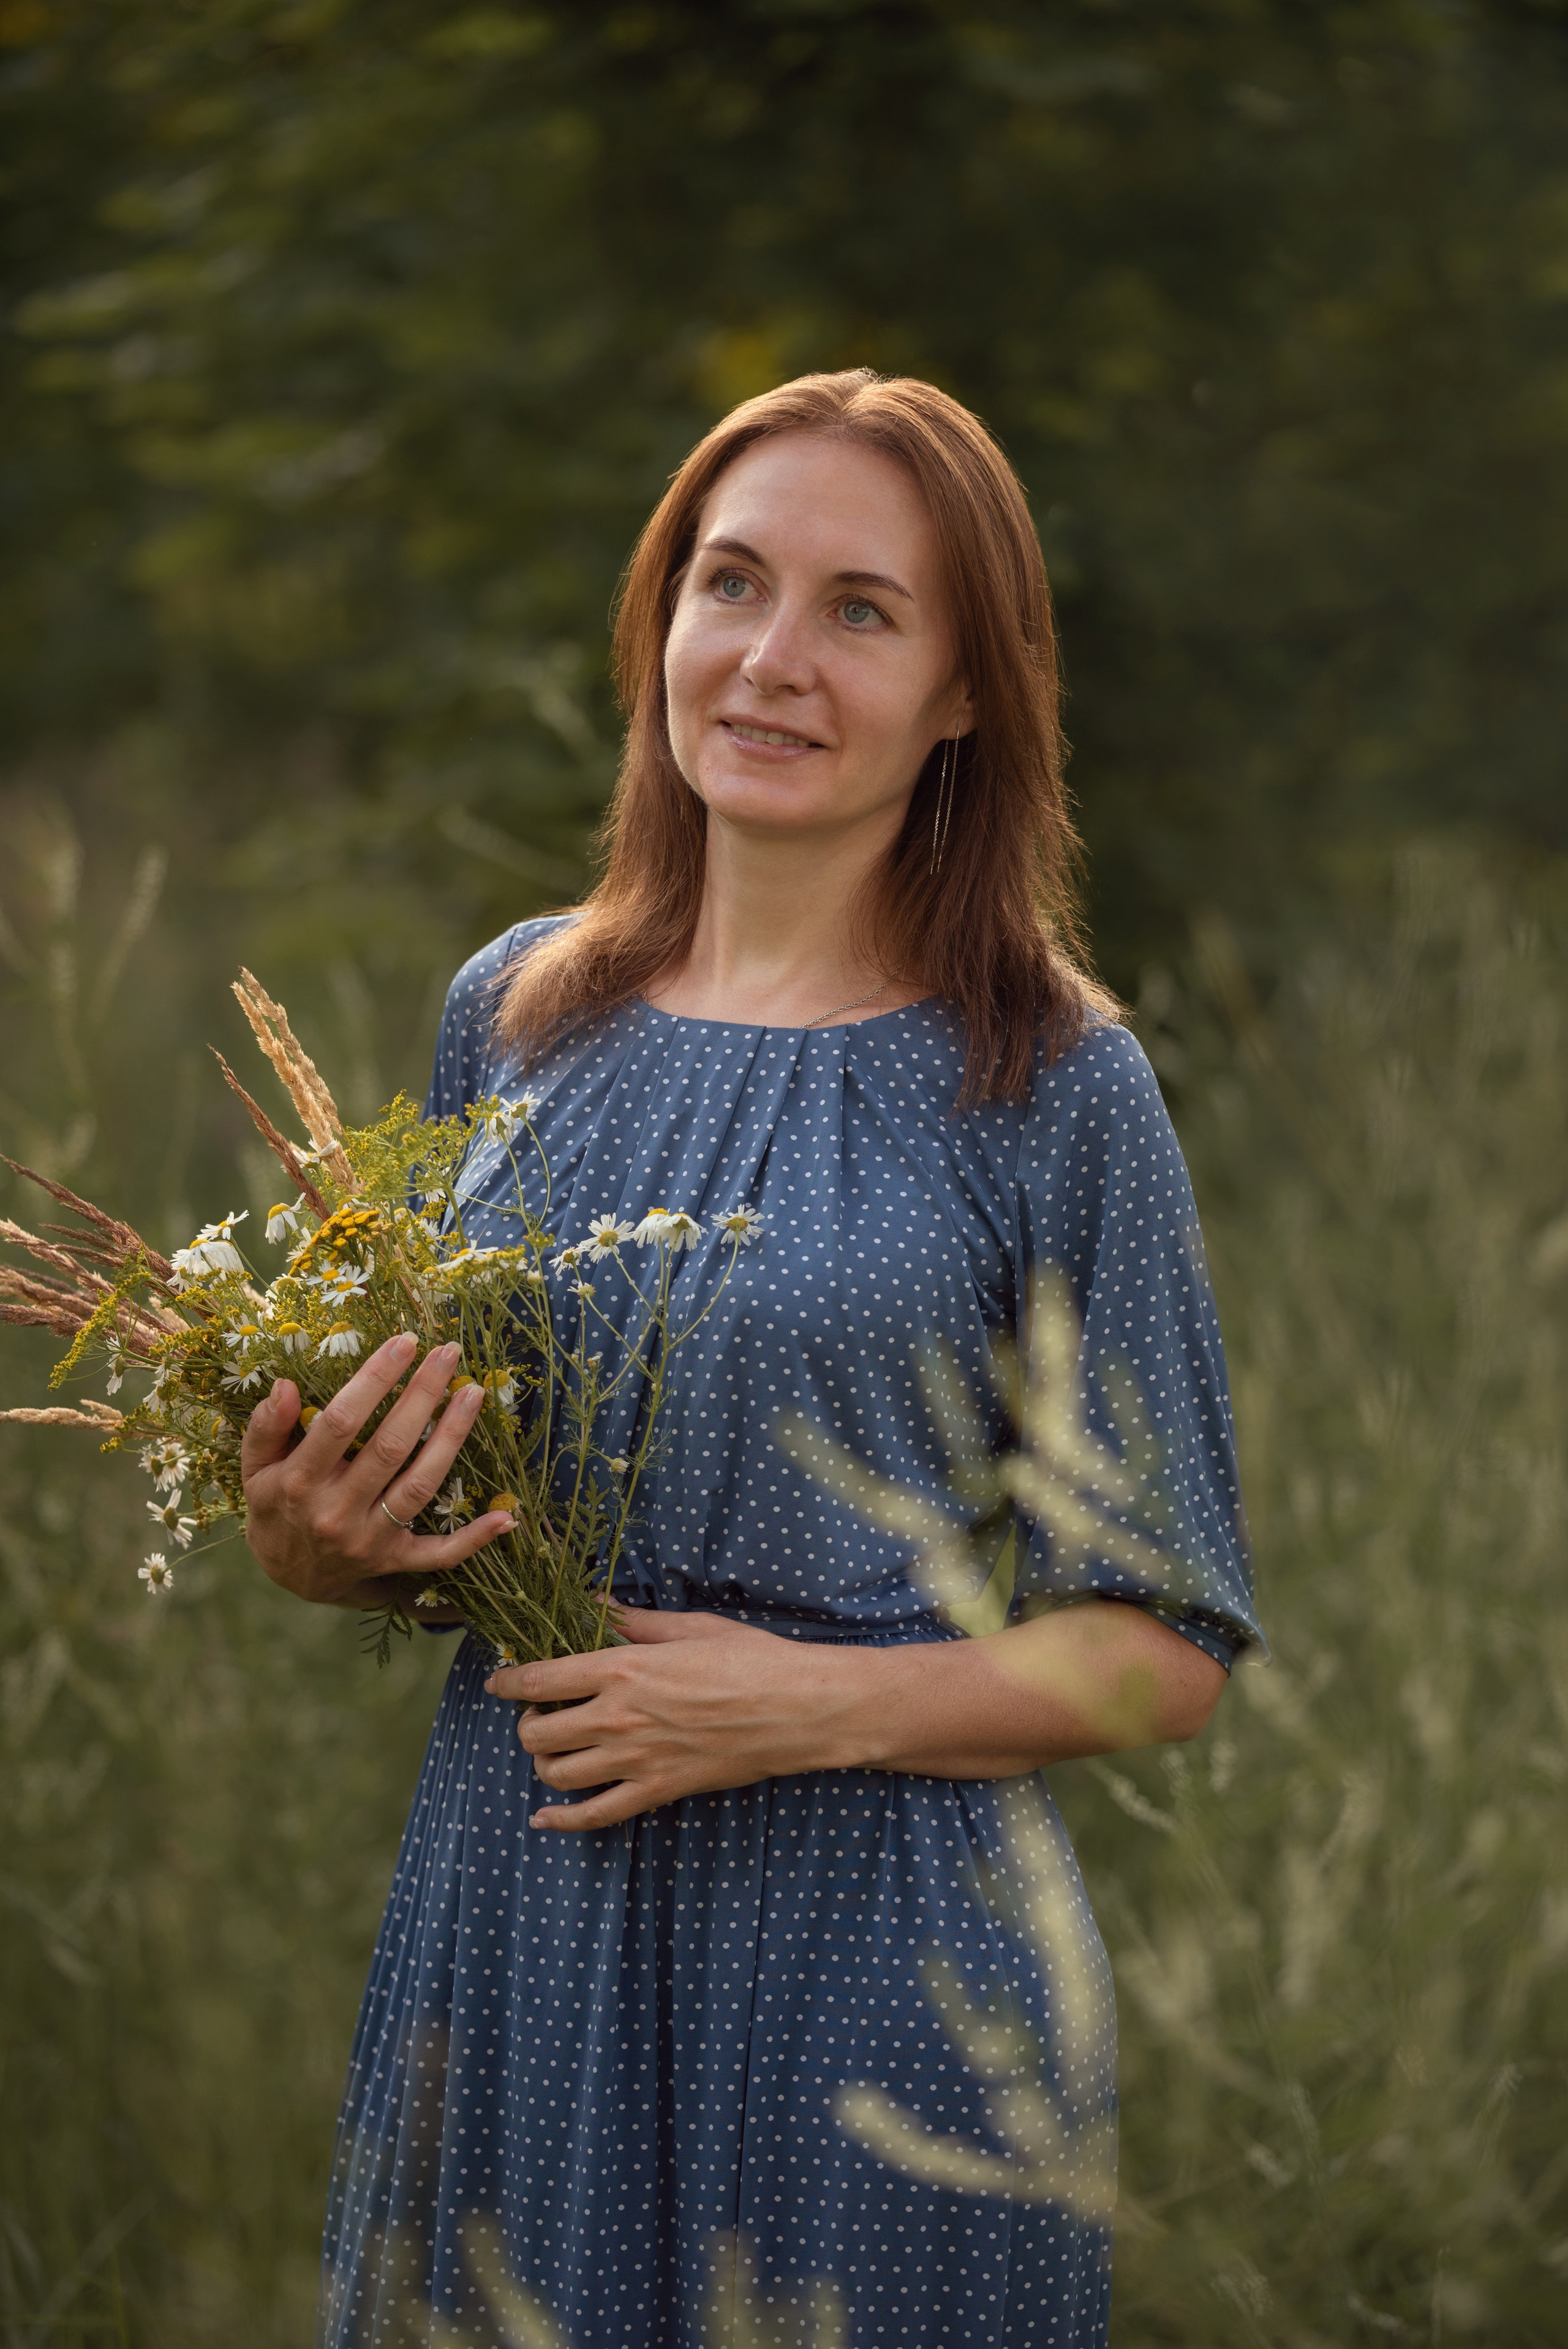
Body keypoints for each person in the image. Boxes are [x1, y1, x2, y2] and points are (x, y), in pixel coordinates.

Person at [241, 369, 1264, 2349]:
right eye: (734, 584)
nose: (776, 659)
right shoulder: (516, 1015)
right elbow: (437, 1510)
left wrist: (802, 1707)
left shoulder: (1053, 1080)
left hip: (880, 1972)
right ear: (665, 623)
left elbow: (1169, 1646)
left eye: (864, 611)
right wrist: (324, 1539)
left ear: (969, 691)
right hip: (523, 1909)